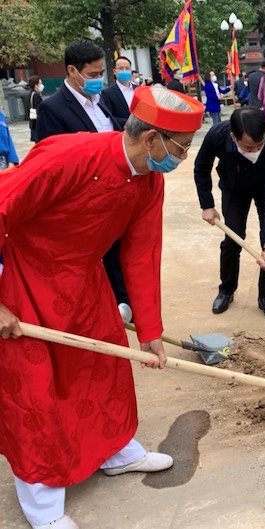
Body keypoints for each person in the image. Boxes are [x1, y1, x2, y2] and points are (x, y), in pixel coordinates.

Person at [0, 85, 205, 529]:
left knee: (103, 369)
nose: (183, 158)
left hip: (85, 281)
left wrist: (150, 330)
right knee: (39, 391)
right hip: (27, 277)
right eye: (181, 147)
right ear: (150, 139)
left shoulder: (149, 182)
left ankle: (116, 452)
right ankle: (43, 503)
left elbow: (141, 254)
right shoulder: (69, 156)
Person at [36, 39, 132, 324]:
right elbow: (50, 164)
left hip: (111, 198)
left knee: (118, 255)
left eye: (101, 73)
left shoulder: (101, 102)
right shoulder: (53, 109)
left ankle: (123, 306)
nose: (98, 80)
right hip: (80, 206)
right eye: (92, 75)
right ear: (72, 71)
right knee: (89, 265)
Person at [194, 107, 265, 321]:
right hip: (233, 187)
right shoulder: (217, 135)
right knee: (233, 239)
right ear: (233, 137)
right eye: (248, 147)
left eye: (259, 145)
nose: (254, 150)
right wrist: (207, 204)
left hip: (264, 188)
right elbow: (201, 167)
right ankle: (226, 290)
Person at [100, 55, 136, 128]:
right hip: (122, 132)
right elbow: (109, 117)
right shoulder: (107, 93)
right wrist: (131, 123)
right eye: (121, 68)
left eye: (127, 68)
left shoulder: (138, 90)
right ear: (114, 71)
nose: (124, 71)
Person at [27, 75, 44, 142]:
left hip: (33, 121)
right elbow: (39, 108)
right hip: (37, 122)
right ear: (36, 85)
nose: (41, 85)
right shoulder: (36, 95)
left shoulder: (30, 94)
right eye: (40, 83)